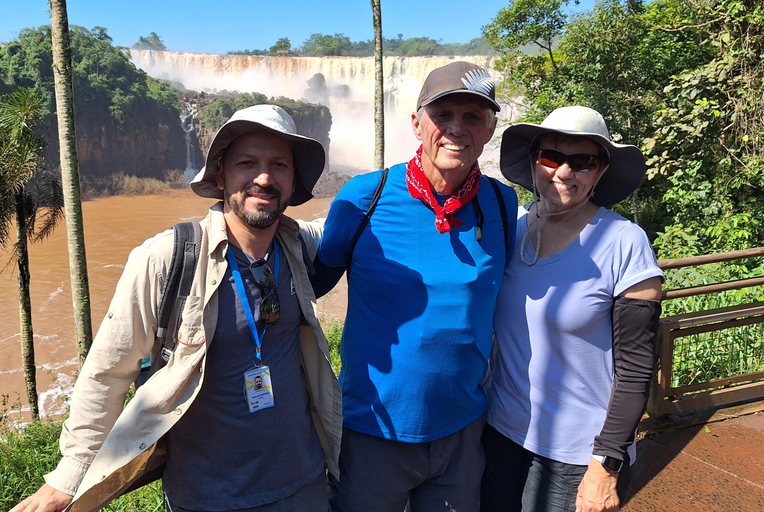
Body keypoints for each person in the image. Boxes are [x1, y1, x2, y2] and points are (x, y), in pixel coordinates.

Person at [11, 104, 342, 512]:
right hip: (206, 497)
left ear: (293, 183)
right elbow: (108, 370)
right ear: (221, 175)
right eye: (247, 163)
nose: (264, 178)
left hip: (304, 486)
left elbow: (355, 216)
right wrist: (68, 478)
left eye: (279, 165)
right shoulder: (167, 257)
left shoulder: (298, 245)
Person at [313, 61, 518, 512]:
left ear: (490, 129)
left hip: (464, 431)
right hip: (374, 432)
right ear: (416, 122)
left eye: (472, 117)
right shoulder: (364, 197)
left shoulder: (502, 202)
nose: (456, 129)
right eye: (443, 115)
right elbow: (308, 285)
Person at [480, 106, 664, 512]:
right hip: (499, 432)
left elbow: (636, 366)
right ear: (533, 162)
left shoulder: (624, 243)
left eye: (582, 162)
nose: (563, 172)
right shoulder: (509, 227)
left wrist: (608, 463)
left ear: (600, 171)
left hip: (576, 454)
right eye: (550, 157)